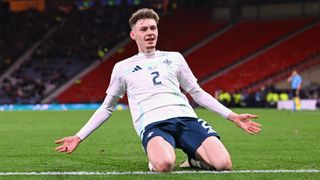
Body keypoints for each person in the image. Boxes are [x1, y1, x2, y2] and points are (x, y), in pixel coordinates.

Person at [55, 8, 261, 172]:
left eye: (153, 28)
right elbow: (107, 108)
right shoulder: (123, 67)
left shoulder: (175, 57)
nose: (150, 33)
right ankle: (155, 160)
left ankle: (193, 161)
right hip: (154, 124)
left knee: (223, 164)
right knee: (164, 165)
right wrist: (78, 136)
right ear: (133, 34)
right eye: (144, 29)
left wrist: (232, 116)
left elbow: (197, 92)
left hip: (187, 119)